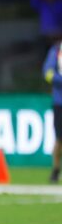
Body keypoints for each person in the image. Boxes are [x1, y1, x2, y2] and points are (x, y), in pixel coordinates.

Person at [43, 39, 62, 183]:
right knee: (59, 138)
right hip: (59, 101)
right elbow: (47, 72)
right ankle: (56, 169)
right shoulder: (56, 50)